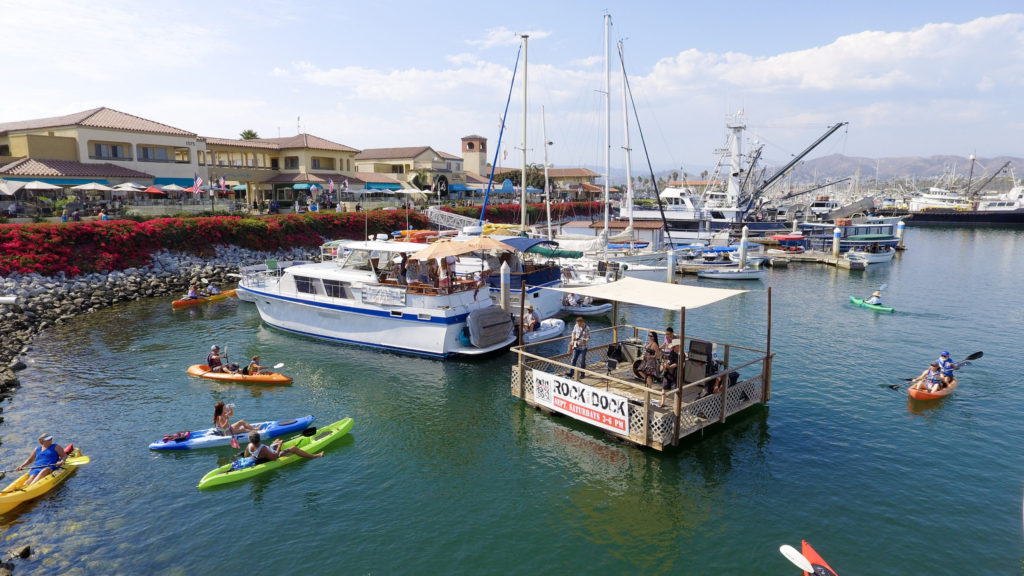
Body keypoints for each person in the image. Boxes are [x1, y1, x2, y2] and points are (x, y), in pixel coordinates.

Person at [244, 431, 323, 463]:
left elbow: (245, 455)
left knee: (277, 440)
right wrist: (279, 446)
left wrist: (254, 456)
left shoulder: (249, 445)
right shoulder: (263, 449)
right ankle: (315, 456)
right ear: (259, 438)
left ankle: (279, 442)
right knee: (293, 448)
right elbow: (275, 457)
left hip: (269, 450)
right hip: (273, 455)